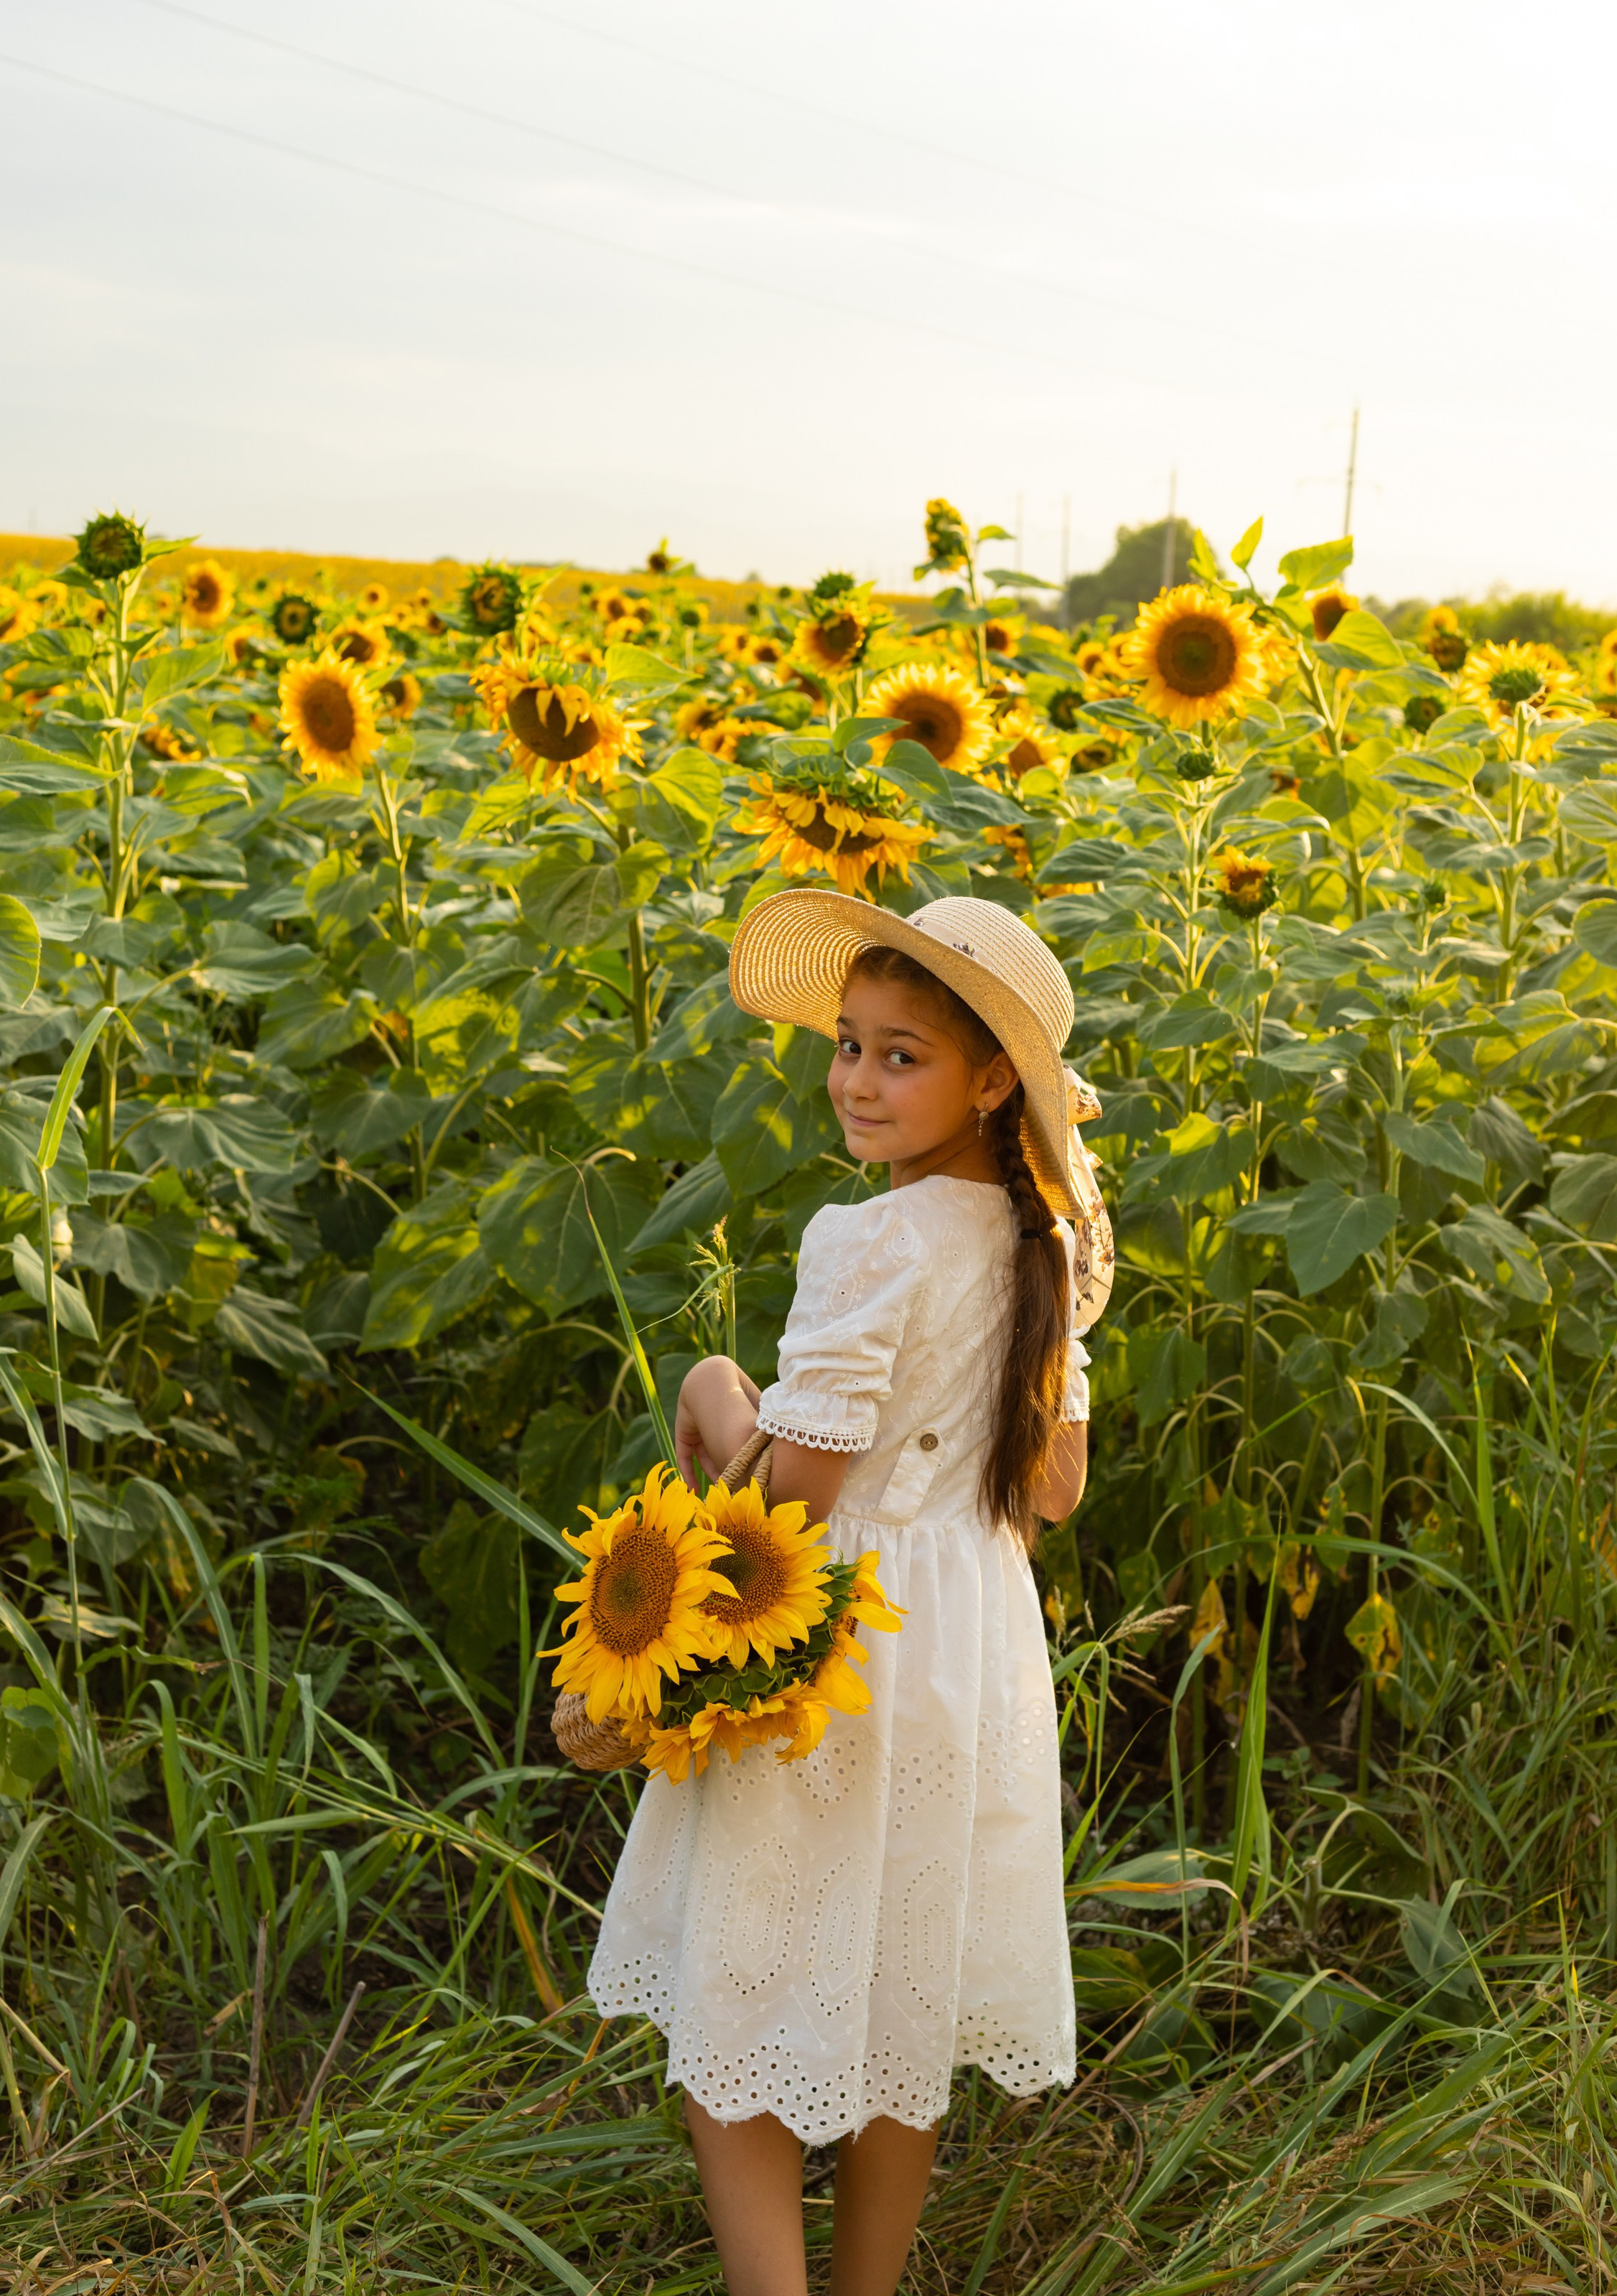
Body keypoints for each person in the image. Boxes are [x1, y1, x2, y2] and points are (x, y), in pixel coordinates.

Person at [588, 892, 1112, 2296]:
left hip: (832, 1649)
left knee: (744, 1994)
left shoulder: (870, 1241)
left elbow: (791, 1508)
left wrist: (714, 1401)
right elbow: (1051, 1491)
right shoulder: (1051, 1244)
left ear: (991, 1079)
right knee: (899, 1998)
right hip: (972, 1642)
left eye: (903, 1056)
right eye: (849, 1044)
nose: (858, 1081)